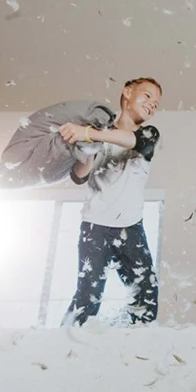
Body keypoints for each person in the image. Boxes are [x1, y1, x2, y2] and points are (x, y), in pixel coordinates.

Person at [59, 77, 163, 326]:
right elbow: (78, 176)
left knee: (146, 296)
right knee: (88, 297)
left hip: (130, 228)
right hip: (94, 227)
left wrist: (89, 133)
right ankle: (64, 345)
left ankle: (133, 348)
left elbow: (135, 142)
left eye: (157, 103)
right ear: (127, 92)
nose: (152, 104)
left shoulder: (148, 133)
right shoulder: (98, 133)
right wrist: (87, 144)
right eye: (147, 96)